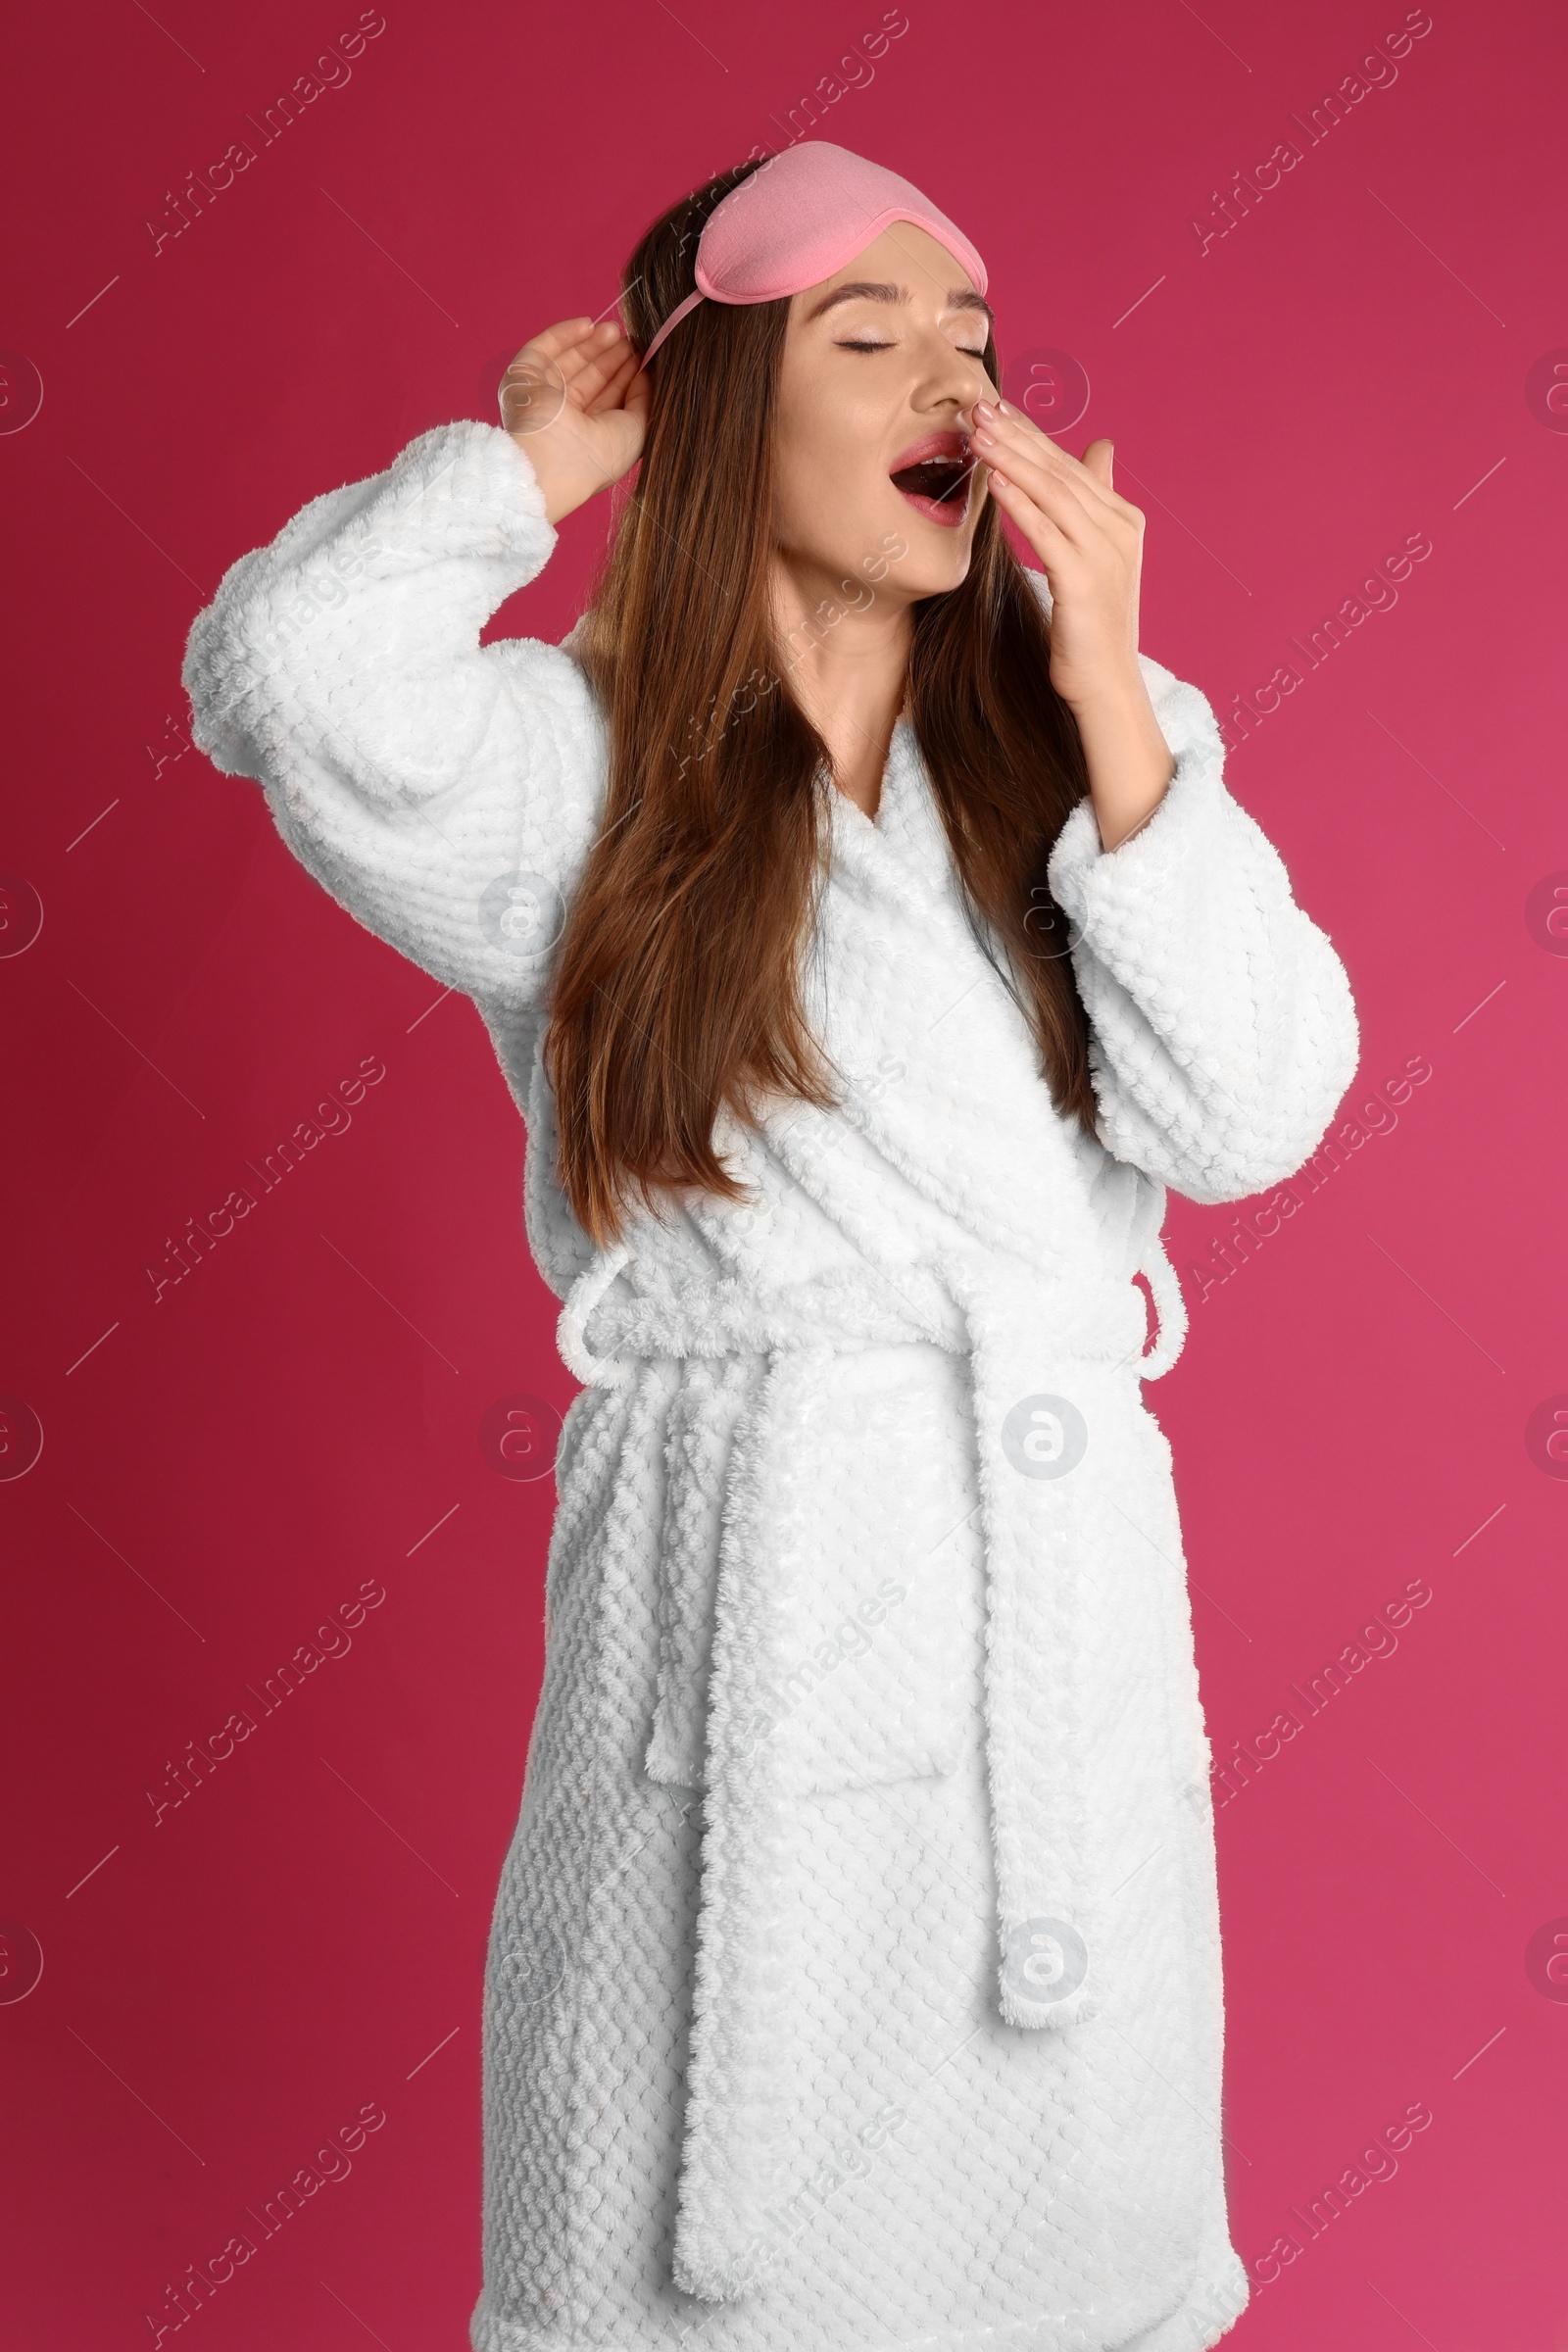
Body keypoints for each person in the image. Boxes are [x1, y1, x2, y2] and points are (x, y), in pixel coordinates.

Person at [182, 142, 1358, 2352]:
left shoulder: (1101, 748)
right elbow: (281, 674)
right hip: (752, 1609)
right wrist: (531, 467)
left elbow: (1261, 1110)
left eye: (975, 342)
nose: (952, 377)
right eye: (867, 333)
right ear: (726, 400)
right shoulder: (576, 767)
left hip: (1046, 1623)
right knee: (686, 2249)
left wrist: (1105, 684)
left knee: (1068, 2263)